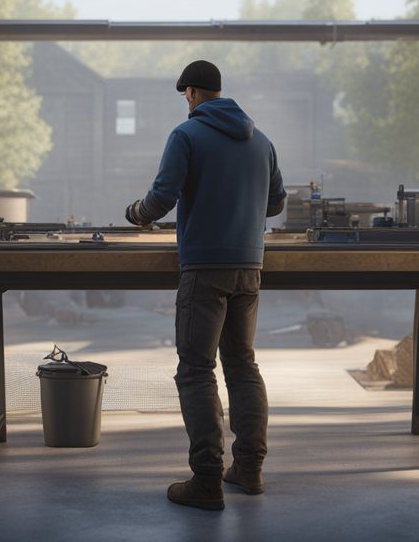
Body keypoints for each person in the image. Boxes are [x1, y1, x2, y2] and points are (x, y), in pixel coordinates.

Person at [124, 60, 286, 511]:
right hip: (249, 269)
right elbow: (274, 204)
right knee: (242, 365)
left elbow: (162, 198)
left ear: (191, 93)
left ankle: (207, 480)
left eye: (186, 96)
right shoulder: (262, 140)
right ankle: (249, 470)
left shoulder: (186, 135)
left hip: (204, 270)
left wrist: (135, 213)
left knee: (196, 370)